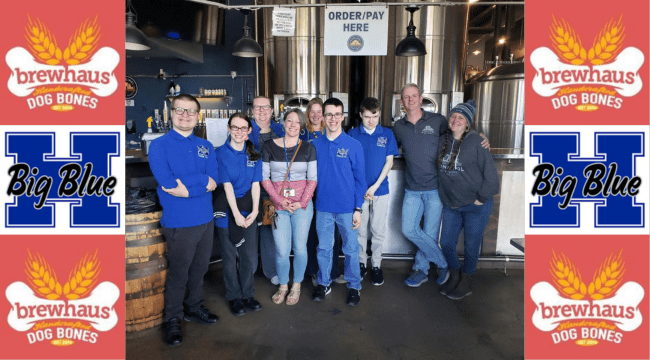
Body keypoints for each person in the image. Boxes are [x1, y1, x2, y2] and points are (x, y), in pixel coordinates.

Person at [392, 83, 489, 288]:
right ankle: (443, 263)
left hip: (436, 189)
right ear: (401, 102)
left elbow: (459, 132)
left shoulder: (438, 120)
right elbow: (387, 145)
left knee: (429, 233)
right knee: (409, 229)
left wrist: (481, 137)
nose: (410, 100)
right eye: (406, 97)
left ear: (421, 98)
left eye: (414, 96)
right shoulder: (398, 127)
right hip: (411, 189)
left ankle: (421, 269)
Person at [148, 94, 219, 347]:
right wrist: (200, 182)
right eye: (181, 110)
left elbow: (213, 180)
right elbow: (167, 183)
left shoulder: (206, 146)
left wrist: (189, 187)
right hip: (179, 221)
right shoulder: (159, 146)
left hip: (205, 219)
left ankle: (193, 307)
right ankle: (173, 319)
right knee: (179, 274)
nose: (186, 115)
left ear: (198, 116)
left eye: (191, 111)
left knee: (200, 270)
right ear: (171, 112)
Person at [437, 100, 499, 300]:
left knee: (471, 246)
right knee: (446, 242)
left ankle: (467, 280)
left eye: (461, 118)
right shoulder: (442, 140)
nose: (456, 120)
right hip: (452, 205)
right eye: (453, 116)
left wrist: (480, 199)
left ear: (468, 123)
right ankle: (455, 275)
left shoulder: (477, 142)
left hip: (475, 206)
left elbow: (491, 177)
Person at [311, 97, 366, 306]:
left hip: (347, 209)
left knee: (351, 248)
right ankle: (324, 282)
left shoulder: (353, 145)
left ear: (342, 117)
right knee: (324, 248)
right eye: (329, 114)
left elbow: (361, 180)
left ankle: (354, 286)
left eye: (337, 114)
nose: (333, 118)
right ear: (323, 117)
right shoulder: (314, 145)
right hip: (323, 207)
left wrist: (358, 208)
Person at [261, 109, 317, 305]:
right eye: (289, 121)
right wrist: (279, 200)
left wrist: (301, 203)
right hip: (279, 207)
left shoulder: (309, 148)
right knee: (282, 250)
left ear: (302, 126)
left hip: (302, 206)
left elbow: (312, 180)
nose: (293, 125)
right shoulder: (269, 146)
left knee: (300, 248)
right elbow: (265, 178)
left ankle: (297, 285)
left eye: (297, 122)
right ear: (283, 123)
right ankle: (283, 285)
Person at [215, 113, 264, 316]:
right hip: (227, 209)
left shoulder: (255, 155)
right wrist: (235, 214)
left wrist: (254, 211)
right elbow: (226, 188)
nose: (238, 132)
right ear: (228, 128)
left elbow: (256, 186)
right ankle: (234, 297)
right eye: (234, 127)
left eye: (243, 128)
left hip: (248, 209)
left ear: (249, 131)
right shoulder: (220, 153)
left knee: (247, 256)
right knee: (229, 257)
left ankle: (248, 295)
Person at [348, 97, 399, 286]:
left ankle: (376, 265)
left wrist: (375, 186)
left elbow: (390, 161)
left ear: (379, 115)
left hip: (381, 190)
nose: (371, 120)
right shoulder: (352, 134)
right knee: (360, 231)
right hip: (358, 192)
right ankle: (361, 264)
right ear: (361, 115)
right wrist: (360, 187)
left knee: (378, 231)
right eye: (367, 116)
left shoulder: (387, 134)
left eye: (375, 116)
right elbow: (349, 164)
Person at [302, 97, 345, 286]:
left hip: (330, 191)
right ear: (308, 113)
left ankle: (333, 271)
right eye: (313, 111)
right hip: (308, 192)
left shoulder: (332, 134)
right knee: (313, 234)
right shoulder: (302, 135)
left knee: (332, 234)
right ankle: (313, 271)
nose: (316, 115)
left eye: (320, 112)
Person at [251, 96, 283, 285]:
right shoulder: (245, 131)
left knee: (269, 230)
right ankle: (249, 269)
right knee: (249, 229)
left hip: (273, 189)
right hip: (249, 188)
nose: (262, 111)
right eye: (257, 107)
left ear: (272, 110)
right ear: (252, 111)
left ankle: (271, 271)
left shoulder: (280, 131)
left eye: (265, 107)